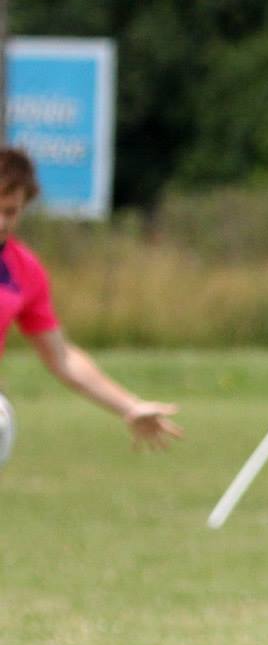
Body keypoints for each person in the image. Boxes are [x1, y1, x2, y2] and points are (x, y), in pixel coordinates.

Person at [0, 147, 182, 463]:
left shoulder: (23, 269)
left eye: (10, 211)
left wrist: (129, 405)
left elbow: (62, 357)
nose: (1, 221)